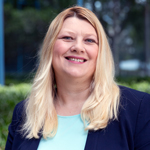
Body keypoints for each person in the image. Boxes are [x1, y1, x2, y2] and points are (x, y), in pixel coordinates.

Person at [5, 6, 150, 150]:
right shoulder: (25, 112)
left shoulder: (138, 109)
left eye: (89, 40)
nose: (78, 47)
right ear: (50, 48)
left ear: (100, 53)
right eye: (67, 38)